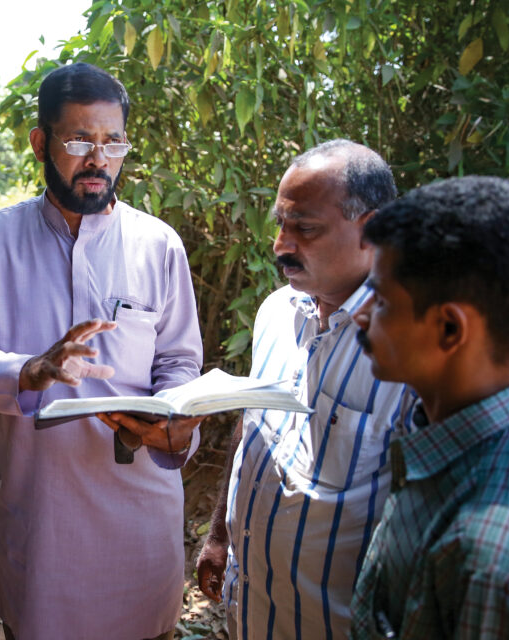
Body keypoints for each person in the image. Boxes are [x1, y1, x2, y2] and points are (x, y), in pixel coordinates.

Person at [0, 62, 203, 640]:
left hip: (140, 506)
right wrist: (24, 370)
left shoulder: (158, 245)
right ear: (40, 144)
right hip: (42, 510)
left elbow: (178, 362)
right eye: (79, 141)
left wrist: (171, 420)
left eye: (112, 142)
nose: (98, 159)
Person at [195, 140, 417, 640]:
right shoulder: (277, 311)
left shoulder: (412, 346)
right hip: (250, 610)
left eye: (306, 229)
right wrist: (220, 534)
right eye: (281, 223)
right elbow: (254, 424)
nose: (281, 244)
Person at [349, 176, 509, 639]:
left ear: (449, 330)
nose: (360, 315)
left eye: (381, 300)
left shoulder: (492, 567)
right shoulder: (450, 441)